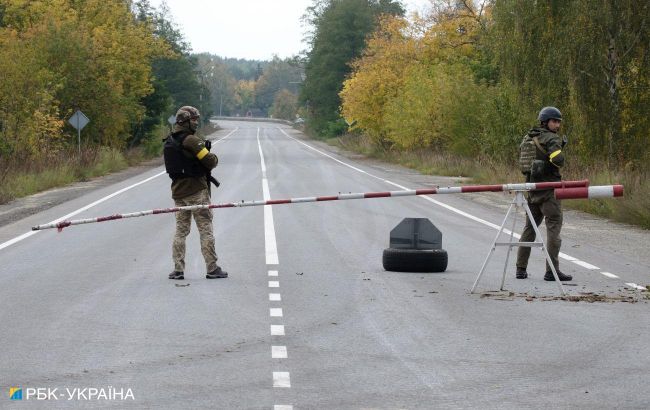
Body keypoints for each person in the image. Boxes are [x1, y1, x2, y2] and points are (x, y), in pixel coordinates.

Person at [163, 106, 228, 280]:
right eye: (194, 119)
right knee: (205, 229)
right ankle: (212, 268)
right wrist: (209, 153)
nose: (196, 122)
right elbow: (210, 161)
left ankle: (178, 270)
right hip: (197, 192)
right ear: (185, 121)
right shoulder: (192, 141)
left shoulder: (169, 141)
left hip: (178, 194)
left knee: (180, 232)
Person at [515, 106, 572, 281]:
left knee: (529, 229)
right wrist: (560, 148)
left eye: (559, 122)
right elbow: (558, 161)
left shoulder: (528, 137)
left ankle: (520, 269)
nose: (557, 125)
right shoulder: (551, 138)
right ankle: (551, 271)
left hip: (531, 189)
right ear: (546, 122)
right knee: (553, 227)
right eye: (554, 121)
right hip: (548, 191)